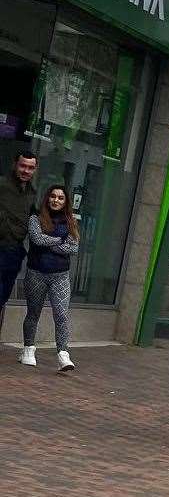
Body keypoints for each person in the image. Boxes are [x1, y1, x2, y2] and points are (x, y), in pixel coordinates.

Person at [22, 183, 78, 372]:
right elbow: (37, 239)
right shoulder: (36, 219)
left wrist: (49, 242)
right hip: (36, 273)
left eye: (60, 198)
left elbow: (74, 248)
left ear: (65, 202)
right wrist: (59, 241)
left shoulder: (70, 222)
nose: (56, 200)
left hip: (60, 276)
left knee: (61, 314)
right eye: (53, 196)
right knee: (33, 313)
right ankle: (28, 349)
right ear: (48, 198)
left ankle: (63, 354)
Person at [0, 151, 38, 344]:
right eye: (23, 166)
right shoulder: (2, 185)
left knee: (3, 298)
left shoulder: (32, 194)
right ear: (16, 164)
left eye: (30, 168)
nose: (26, 170)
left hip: (14, 252)